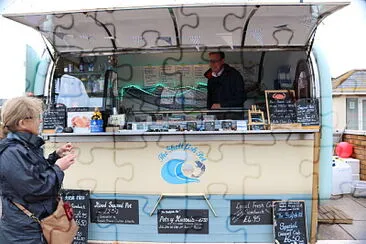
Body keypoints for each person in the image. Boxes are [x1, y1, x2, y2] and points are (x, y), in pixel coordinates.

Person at [0, 96, 77, 244]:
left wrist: (55, 157)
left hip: (32, 227)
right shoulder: (12, 151)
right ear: (22, 123)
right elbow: (37, 188)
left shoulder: (23, 146)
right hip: (24, 232)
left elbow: (34, 174)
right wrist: (59, 168)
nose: (40, 121)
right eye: (36, 117)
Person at [204, 51, 246, 119]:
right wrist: (209, 116)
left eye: (215, 61)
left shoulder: (234, 75)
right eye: (211, 61)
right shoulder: (210, 77)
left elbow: (242, 98)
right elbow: (210, 100)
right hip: (216, 118)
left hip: (233, 117)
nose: (213, 64)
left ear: (222, 61)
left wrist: (222, 105)